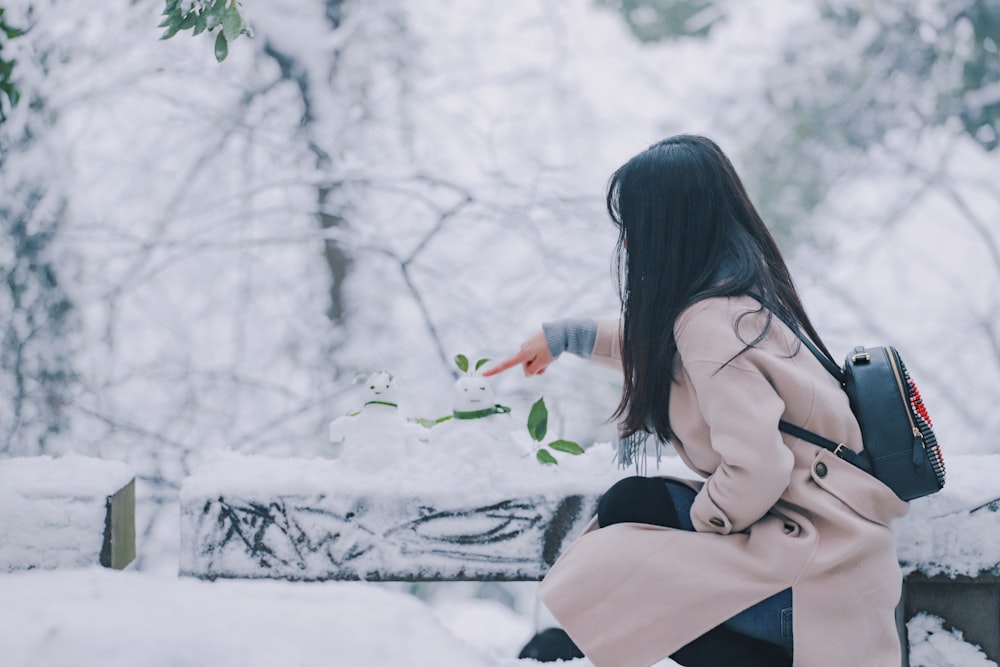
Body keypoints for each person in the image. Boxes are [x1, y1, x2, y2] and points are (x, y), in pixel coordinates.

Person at [484, 135, 909, 667]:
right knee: (632, 506)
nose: (628, 246)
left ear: (667, 231)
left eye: (634, 228)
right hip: (829, 558)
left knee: (624, 584)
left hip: (808, 587)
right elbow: (661, 347)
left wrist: (706, 535)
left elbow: (757, 468)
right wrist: (565, 337)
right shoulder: (738, 302)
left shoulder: (711, 324)